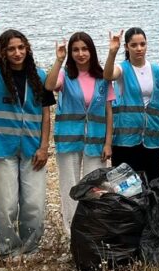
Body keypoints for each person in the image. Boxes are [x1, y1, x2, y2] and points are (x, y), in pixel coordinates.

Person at [0, 18, 54, 260]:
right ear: (2, 52)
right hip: (2, 148)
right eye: (11, 49)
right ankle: (8, 250)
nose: (17, 53)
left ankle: (31, 248)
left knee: (34, 204)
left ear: (27, 49)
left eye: (21, 48)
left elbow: (46, 113)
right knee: (6, 204)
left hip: (32, 150)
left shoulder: (39, 76)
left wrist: (44, 147)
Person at [44, 32, 114, 237]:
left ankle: (93, 229)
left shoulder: (103, 77)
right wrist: (58, 60)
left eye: (85, 49)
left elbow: (109, 111)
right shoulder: (65, 75)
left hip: (96, 141)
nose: (81, 54)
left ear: (91, 51)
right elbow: (48, 86)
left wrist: (108, 143)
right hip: (69, 140)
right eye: (76, 50)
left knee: (95, 186)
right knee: (70, 186)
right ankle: (72, 232)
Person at [104, 28, 159, 182]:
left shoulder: (157, 71)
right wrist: (112, 52)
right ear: (127, 47)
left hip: (153, 141)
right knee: (126, 189)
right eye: (134, 45)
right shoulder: (122, 69)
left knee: (152, 185)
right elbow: (108, 75)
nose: (139, 48)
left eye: (142, 44)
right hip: (125, 142)